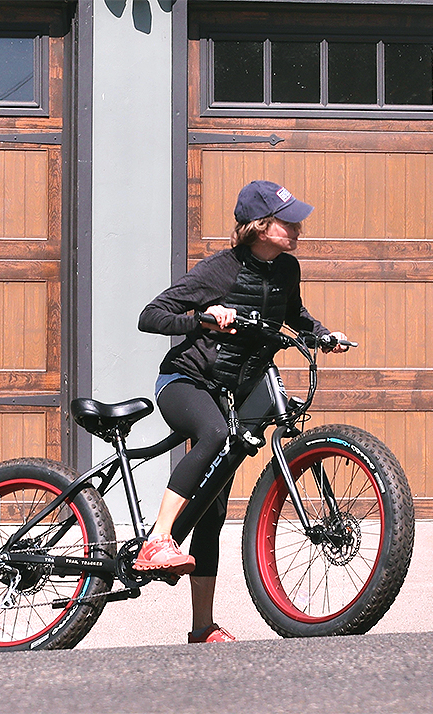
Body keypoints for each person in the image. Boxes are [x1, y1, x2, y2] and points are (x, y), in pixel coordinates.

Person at [134, 180, 349, 642]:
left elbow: (294, 316)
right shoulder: (219, 271)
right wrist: (204, 317)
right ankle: (158, 539)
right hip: (186, 382)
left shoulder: (287, 269)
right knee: (212, 435)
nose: (297, 227)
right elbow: (151, 315)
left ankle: (201, 627)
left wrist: (323, 335)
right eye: (287, 221)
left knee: (212, 509)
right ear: (258, 226)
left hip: (237, 388)